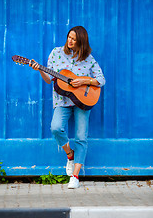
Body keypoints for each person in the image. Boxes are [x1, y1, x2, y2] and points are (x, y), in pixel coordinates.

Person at [29, 26, 105, 189]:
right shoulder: (56, 53)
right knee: (55, 128)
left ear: (81, 42)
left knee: (81, 137)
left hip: (83, 103)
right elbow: (49, 79)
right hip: (62, 102)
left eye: (74, 39)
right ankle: (70, 154)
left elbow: (101, 80)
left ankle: (75, 176)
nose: (70, 41)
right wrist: (39, 70)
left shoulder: (88, 58)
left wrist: (85, 81)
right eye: (69, 37)